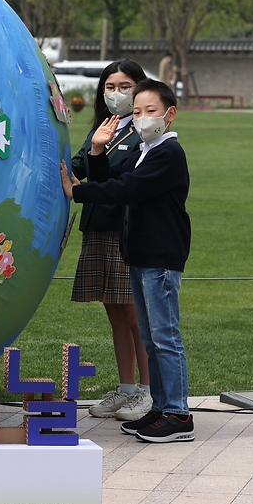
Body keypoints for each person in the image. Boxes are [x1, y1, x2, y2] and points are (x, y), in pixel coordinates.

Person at [61, 79, 193, 443]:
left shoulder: (168, 153)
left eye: (150, 111)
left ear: (170, 114)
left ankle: (178, 414)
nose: (142, 118)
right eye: (136, 112)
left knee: (165, 337)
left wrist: (77, 191)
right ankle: (159, 410)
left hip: (161, 257)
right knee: (151, 337)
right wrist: (99, 152)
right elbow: (116, 179)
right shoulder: (146, 150)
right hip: (140, 254)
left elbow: (128, 190)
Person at [70, 60, 151, 421]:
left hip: (126, 230)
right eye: (110, 86)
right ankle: (126, 388)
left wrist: (98, 155)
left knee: (135, 315)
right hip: (97, 228)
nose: (116, 93)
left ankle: (149, 392)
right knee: (114, 312)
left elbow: (117, 182)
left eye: (125, 85)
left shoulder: (143, 133)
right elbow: (76, 166)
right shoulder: (102, 127)